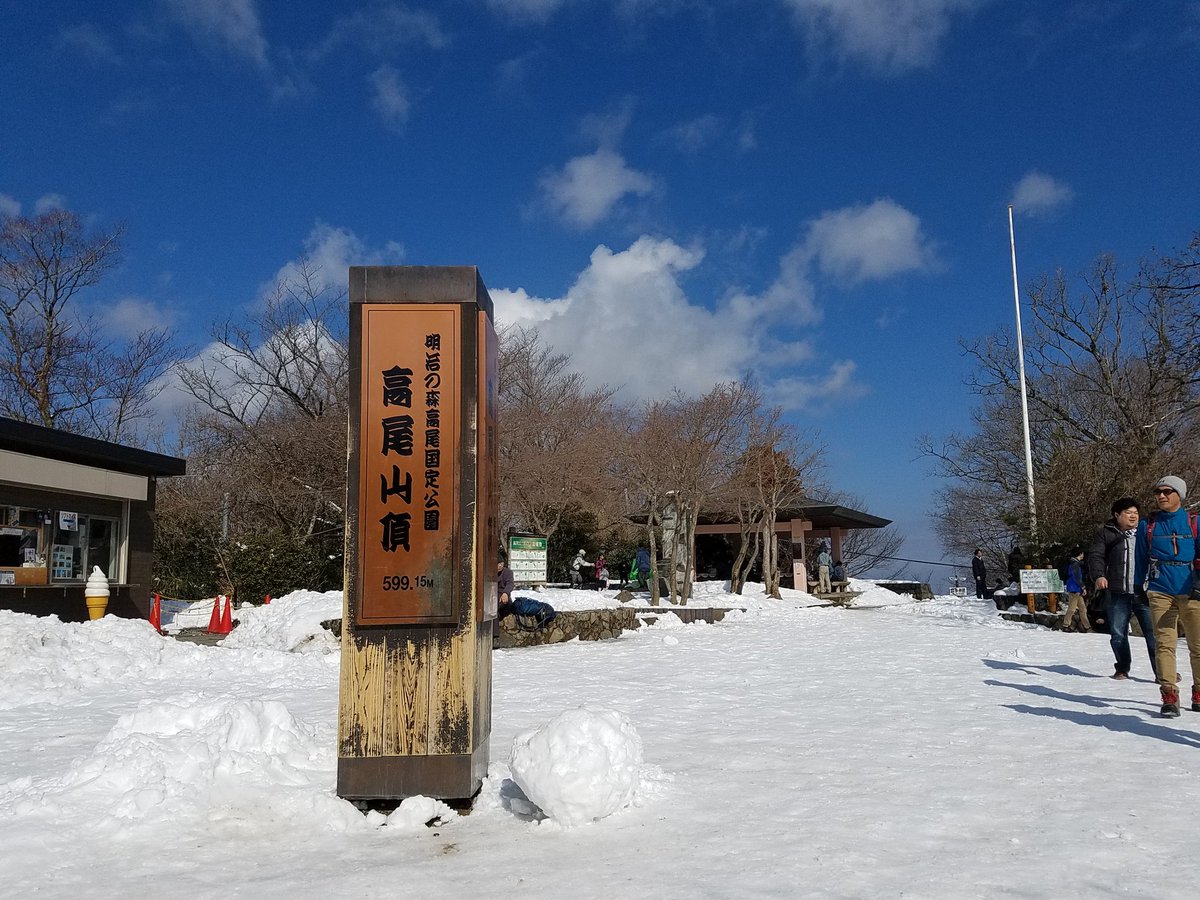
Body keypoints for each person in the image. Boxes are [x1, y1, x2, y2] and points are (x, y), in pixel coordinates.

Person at [1135, 475, 1199, 717]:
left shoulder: (1194, 522)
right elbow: (1140, 558)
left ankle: (1199, 692)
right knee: (1164, 644)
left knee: (1198, 646)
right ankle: (1169, 694)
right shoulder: (1147, 525)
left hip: (1192, 590)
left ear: (1179, 495)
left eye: (1167, 491)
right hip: (1160, 589)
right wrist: (1138, 588)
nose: (1161, 496)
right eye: (1158, 492)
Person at [1088, 497, 1155, 681]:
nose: (1133, 516)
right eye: (1128, 513)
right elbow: (1096, 556)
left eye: (1135, 513)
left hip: (1143, 590)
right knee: (1118, 634)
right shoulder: (1106, 533)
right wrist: (1099, 575)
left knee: (1154, 634)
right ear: (1117, 515)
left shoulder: (1145, 532)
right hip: (1117, 590)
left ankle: (1162, 672)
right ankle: (1122, 668)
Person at [1061, 547, 1089, 633]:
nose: (1083, 555)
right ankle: (1066, 625)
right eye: (1082, 553)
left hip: (1076, 588)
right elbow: (1077, 577)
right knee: (1072, 608)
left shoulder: (1074, 563)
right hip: (1074, 588)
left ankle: (1087, 626)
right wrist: (1083, 587)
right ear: (1080, 554)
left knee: (1082, 608)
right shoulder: (1075, 564)